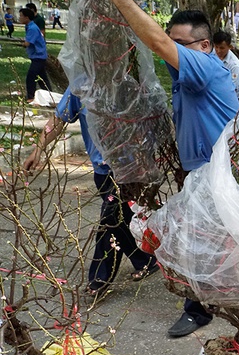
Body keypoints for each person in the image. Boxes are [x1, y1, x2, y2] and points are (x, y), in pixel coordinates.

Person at [84, 0, 239, 337]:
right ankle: (220, 300)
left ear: (203, 46)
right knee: (208, 243)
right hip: (203, 175)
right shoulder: (190, 75)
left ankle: (200, 309)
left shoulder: (205, 67)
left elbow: (154, 43)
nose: (171, 50)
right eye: (172, 42)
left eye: (179, 44)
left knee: (199, 244)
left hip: (216, 177)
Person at [24, 87, 158, 298]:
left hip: (128, 169)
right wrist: (38, 149)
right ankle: (146, 259)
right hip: (102, 171)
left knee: (110, 220)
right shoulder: (79, 86)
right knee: (121, 218)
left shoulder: (126, 80)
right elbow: (58, 119)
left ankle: (99, 278)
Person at [18, 8, 51, 103]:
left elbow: (28, 43)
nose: (20, 18)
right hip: (38, 56)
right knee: (42, 79)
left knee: (31, 77)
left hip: (38, 56)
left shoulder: (32, 28)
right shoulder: (29, 26)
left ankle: (31, 97)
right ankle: (49, 95)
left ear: (27, 17)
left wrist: (23, 44)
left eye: (21, 16)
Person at [213, 29, 239, 101]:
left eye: (222, 48)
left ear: (229, 47)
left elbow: (233, 88)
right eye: (216, 47)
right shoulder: (212, 53)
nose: (218, 50)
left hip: (230, 98)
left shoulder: (235, 65)